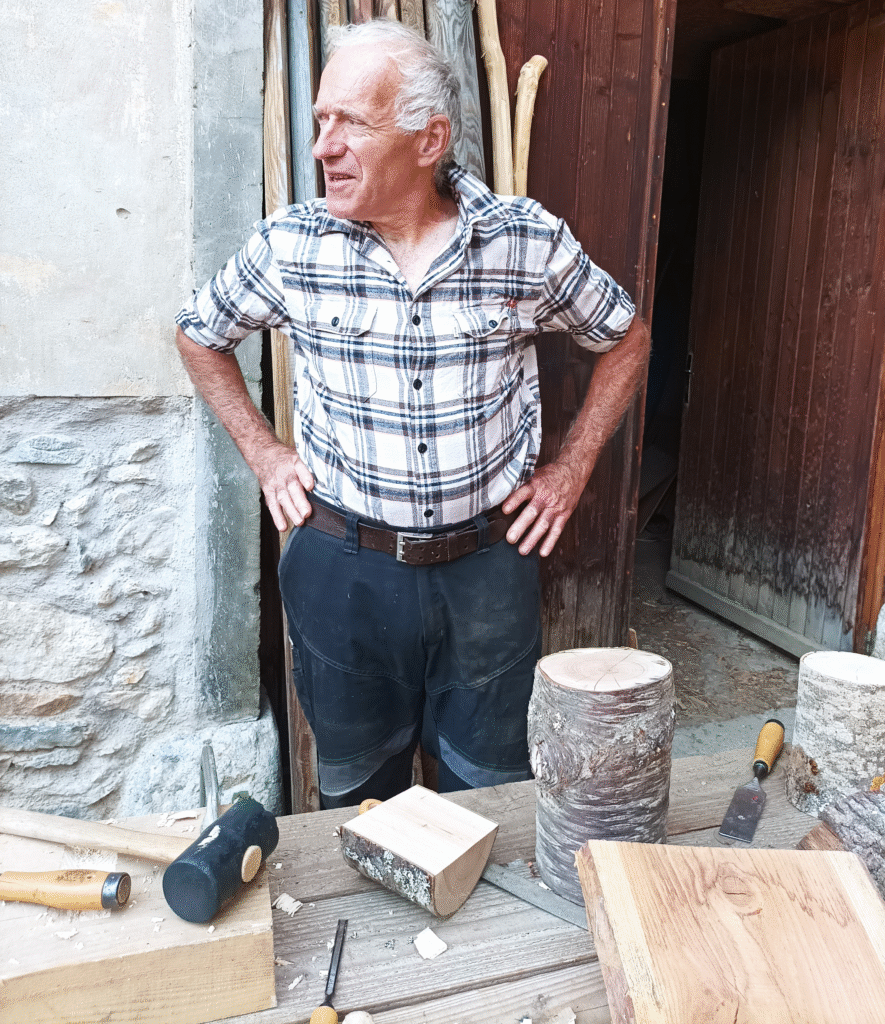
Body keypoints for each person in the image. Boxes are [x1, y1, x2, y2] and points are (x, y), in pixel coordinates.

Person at [175, 18, 650, 808]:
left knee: (489, 795)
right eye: (321, 119)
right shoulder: (291, 247)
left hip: (487, 571)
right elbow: (199, 338)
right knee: (358, 797)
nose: (324, 145)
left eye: (351, 123)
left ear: (429, 140)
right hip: (342, 568)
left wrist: (569, 470)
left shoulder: (522, 241)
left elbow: (626, 337)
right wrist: (265, 455)